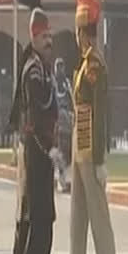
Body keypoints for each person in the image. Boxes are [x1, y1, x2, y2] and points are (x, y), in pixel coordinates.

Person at [47, 0, 119, 254]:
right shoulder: (82, 67)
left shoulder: (96, 68)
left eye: (80, 30)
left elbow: (101, 116)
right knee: (77, 219)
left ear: (84, 30)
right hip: (80, 146)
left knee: (99, 219)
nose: (78, 37)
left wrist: (102, 160)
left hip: (92, 149)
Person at [5, 0, 58, 254]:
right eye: (45, 38)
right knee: (39, 221)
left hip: (35, 152)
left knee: (30, 220)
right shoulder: (34, 71)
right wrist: (51, 148)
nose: (50, 42)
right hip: (37, 153)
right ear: (34, 38)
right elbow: (40, 109)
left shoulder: (38, 67)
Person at [53, 57, 73, 193]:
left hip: (66, 119)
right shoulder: (52, 83)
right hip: (56, 120)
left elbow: (72, 97)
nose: (60, 69)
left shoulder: (66, 83)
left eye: (62, 67)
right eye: (58, 67)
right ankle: (61, 179)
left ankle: (63, 176)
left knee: (68, 149)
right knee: (59, 149)